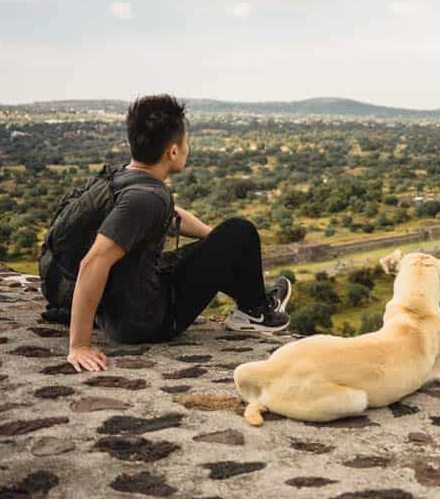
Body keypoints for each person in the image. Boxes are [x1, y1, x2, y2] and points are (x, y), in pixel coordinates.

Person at [67, 94, 291, 373]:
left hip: (125, 304)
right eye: (186, 143)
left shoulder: (123, 180)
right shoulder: (147, 198)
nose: (187, 148)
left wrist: (220, 243)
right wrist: (79, 345)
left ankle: (252, 300)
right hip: (149, 320)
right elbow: (93, 261)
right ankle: (256, 310)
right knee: (241, 229)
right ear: (173, 151)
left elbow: (173, 218)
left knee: (228, 237)